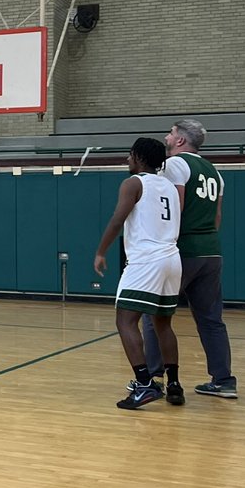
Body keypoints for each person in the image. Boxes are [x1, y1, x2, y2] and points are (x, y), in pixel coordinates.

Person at [140, 119, 236, 398]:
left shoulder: (175, 165)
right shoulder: (215, 172)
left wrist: (164, 244)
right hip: (211, 251)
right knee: (211, 319)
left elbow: (175, 207)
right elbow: (216, 216)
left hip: (184, 249)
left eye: (170, 133)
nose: (167, 137)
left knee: (154, 315)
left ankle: (155, 377)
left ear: (180, 140)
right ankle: (224, 380)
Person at [94, 137, 183, 410]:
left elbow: (118, 219)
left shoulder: (133, 183)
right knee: (163, 324)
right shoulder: (168, 185)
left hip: (147, 261)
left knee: (125, 321)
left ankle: (144, 384)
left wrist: (101, 251)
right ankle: (174, 385)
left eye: (130, 154)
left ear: (139, 158)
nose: (127, 159)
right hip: (172, 259)